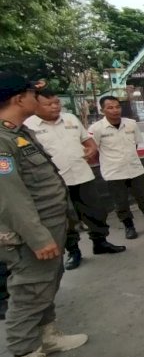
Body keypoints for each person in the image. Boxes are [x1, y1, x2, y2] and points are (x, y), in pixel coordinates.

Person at [0, 72, 87, 357]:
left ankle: (47, 337)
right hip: (30, 234)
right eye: (34, 95)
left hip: (49, 226)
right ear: (19, 98)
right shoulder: (2, 141)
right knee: (28, 291)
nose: (41, 99)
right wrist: (38, 238)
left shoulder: (19, 133)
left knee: (46, 283)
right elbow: (10, 198)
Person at [26, 90, 125, 270]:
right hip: (55, 182)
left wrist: (91, 149)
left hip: (82, 175)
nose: (55, 106)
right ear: (36, 105)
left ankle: (100, 242)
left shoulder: (70, 118)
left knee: (96, 211)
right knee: (66, 219)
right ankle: (73, 250)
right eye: (49, 104)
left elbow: (88, 141)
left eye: (57, 102)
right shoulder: (28, 125)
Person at [89, 96, 144, 240]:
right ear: (102, 110)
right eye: (110, 108)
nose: (115, 110)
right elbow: (93, 150)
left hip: (135, 168)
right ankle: (129, 226)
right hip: (113, 172)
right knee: (121, 202)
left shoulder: (131, 124)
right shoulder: (96, 128)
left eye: (117, 107)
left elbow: (136, 144)